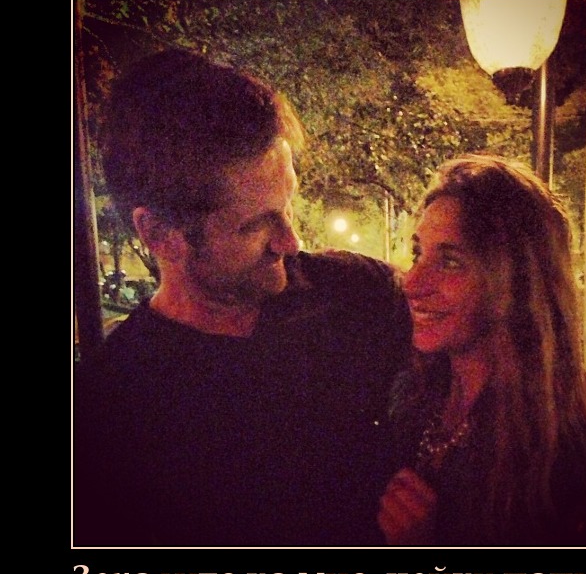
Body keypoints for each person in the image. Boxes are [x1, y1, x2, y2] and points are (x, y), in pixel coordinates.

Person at [73, 48, 412, 547]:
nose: (290, 241)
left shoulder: (359, 297)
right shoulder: (106, 416)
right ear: (160, 233)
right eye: (255, 225)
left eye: (287, 205)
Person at [377, 154, 586, 547]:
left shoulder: (555, 426)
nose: (412, 283)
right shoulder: (415, 390)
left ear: (514, 280)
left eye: (450, 262)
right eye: (418, 254)